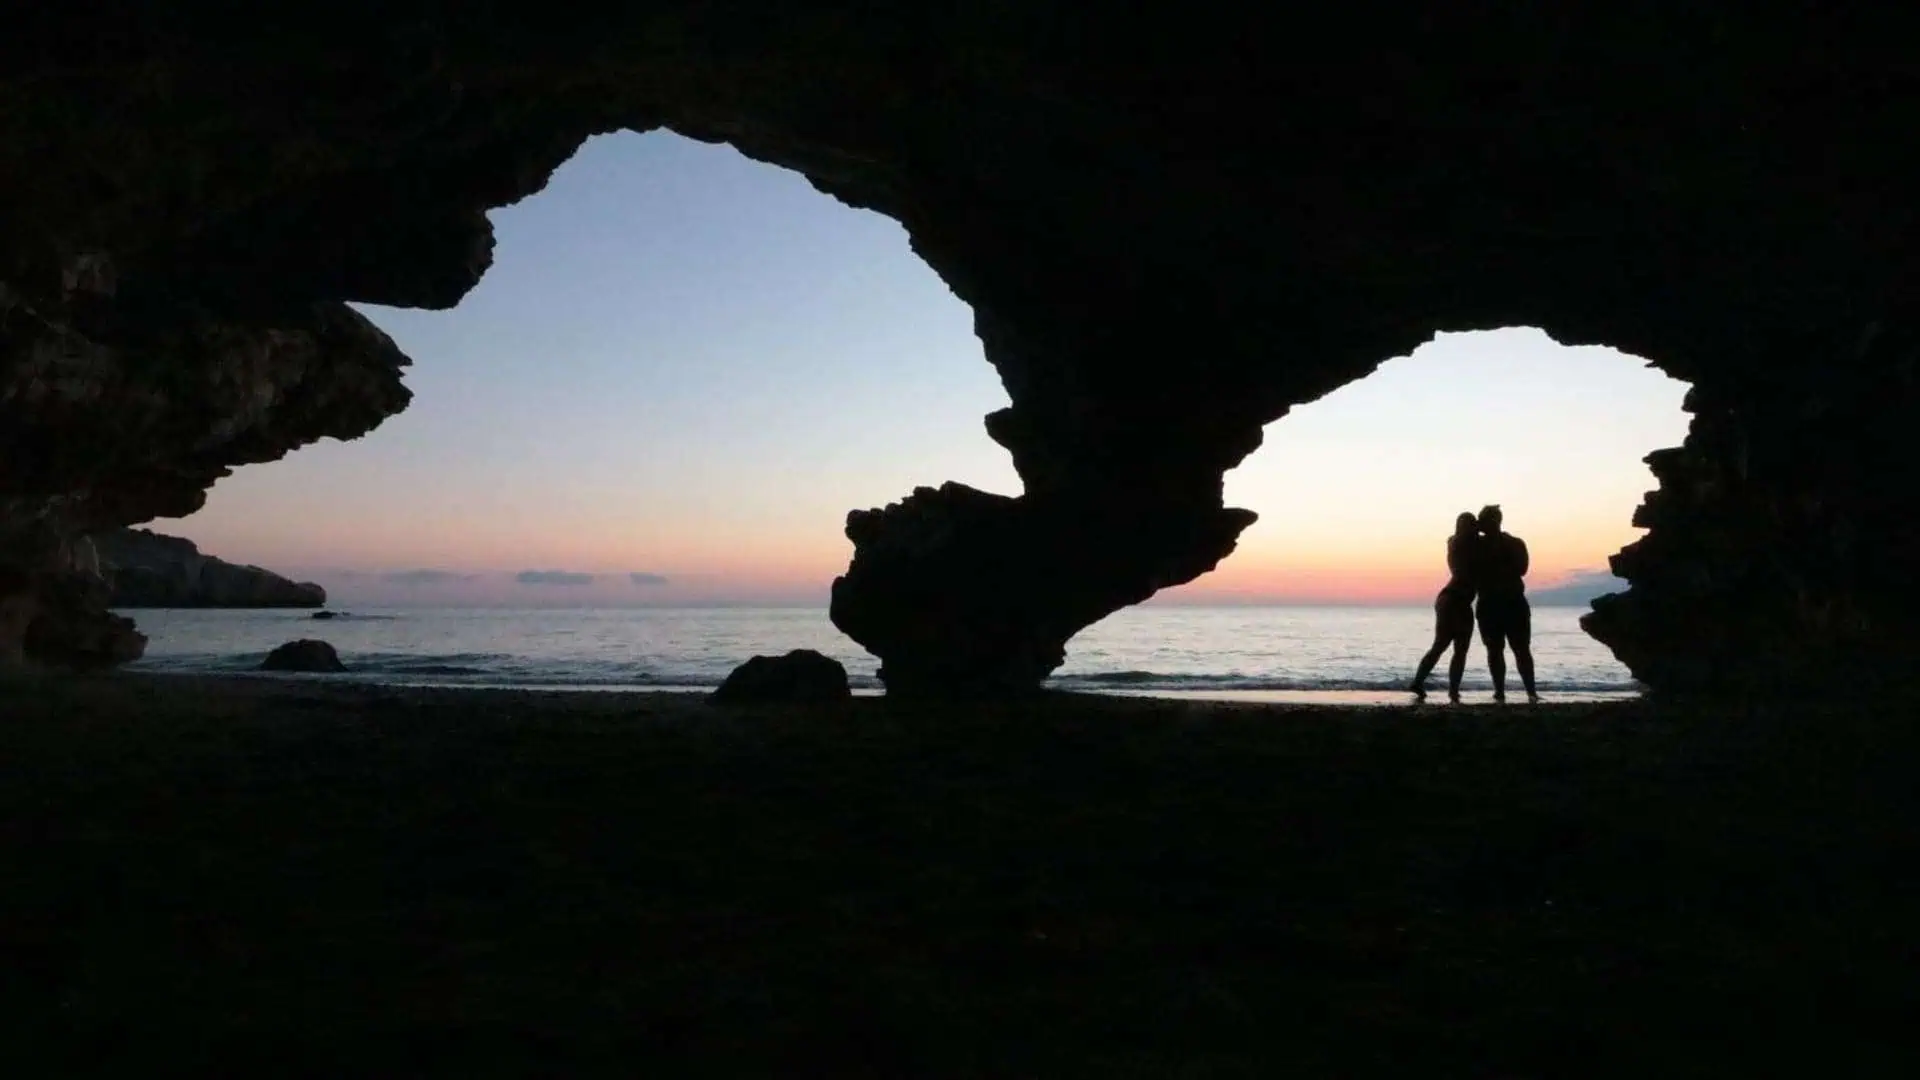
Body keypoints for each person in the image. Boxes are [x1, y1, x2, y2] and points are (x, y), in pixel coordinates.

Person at [1410, 512, 1480, 703]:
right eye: (1473, 525)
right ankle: (1450, 690)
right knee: (1449, 646)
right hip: (1454, 600)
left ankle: (1426, 684)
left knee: (1447, 646)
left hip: (1454, 600)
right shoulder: (1464, 545)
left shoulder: (1458, 543)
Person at [1474, 504, 1538, 703]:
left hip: (1510, 602)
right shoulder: (1478, 544)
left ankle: (1529, 691)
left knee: (1519, 649)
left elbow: (1522, 569)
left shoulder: (1512, 543)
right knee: (1497, 649)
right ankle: (1502, 691)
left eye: (1484, 520)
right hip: (1493, 603)